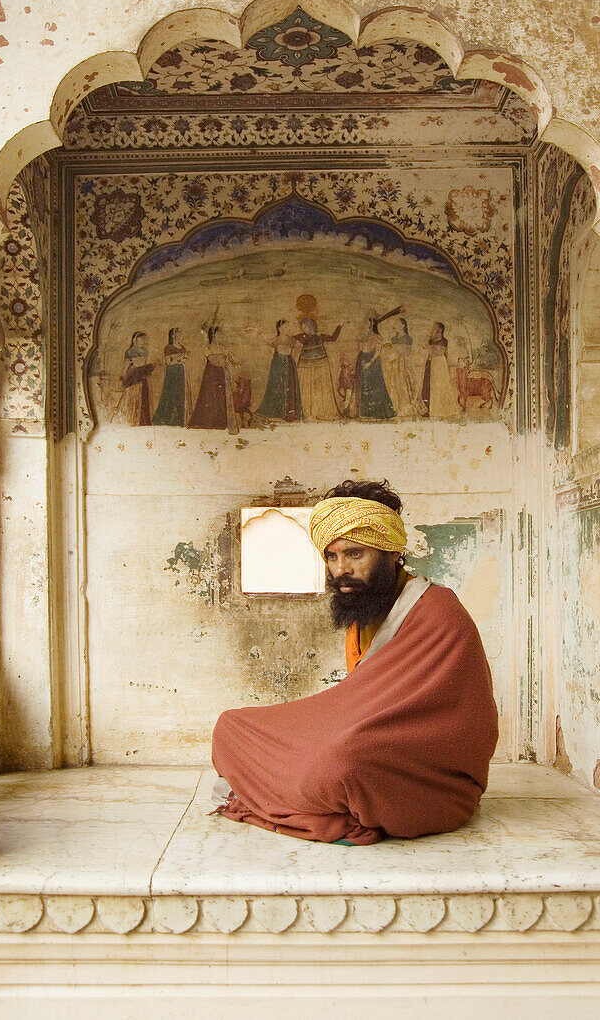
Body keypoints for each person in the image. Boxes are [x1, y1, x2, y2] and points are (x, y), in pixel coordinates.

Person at [212, 479, 498, 844]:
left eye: (355, 554)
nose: (340, 569)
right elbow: (358, 703)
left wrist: (351, 740)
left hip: (427, 770)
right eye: (331, 556)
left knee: (343, 761)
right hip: (368, 740)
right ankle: (320, 784)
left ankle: (319, 786)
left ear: (393, 554)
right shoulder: (365, 611)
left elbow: (461, 729)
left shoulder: (440, 611)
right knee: (231, 728)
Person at [111, 331, 156, 426]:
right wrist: (122, 377)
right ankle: (131, 418)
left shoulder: (145, 351)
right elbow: (125, 365)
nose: (143, 342)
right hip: (133, 376)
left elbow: (145, 363)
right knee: (132, 396)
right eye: (141, 340)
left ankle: (143, 421)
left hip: (143, 376)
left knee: (143, 396)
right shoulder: (130, 351)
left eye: (144, 340)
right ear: (135, 340)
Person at [152, 327, 192, 426]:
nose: (180, 337)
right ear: (173, 336)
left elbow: (184, 360)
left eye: (181, 335)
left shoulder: (182, 347)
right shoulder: (169, 348)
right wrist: (179, 358)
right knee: (170, 394)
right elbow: (169, 363)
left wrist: (182, 358)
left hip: (181, 372)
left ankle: (178, 421)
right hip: (172, 372)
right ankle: (165, 420)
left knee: (180, 394)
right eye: (178, 335)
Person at [421, 322, 460, 419]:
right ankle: (429, 409)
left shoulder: (444, 340)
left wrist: (431, 348)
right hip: (430, 362)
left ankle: (439, 409)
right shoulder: (431, 340)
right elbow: (429, 352)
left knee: (439, 385)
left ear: (440, 330)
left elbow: (440, 352)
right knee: (428, 386)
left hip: (439, 364)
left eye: (435, 328)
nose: (433, 330)